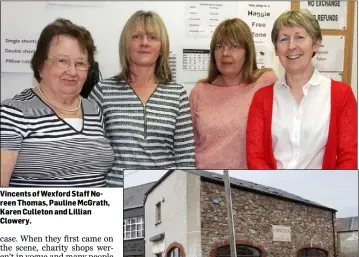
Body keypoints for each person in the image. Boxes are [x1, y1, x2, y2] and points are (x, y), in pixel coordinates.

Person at [0, 19, 114, 187]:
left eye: (80, 63)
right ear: (40, 65)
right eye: (62, 61)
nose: (73, 71)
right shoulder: (14, 112)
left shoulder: (94, 110)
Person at [89, 11, 195, 187]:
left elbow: (185, 159)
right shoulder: (102, 92)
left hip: (161, 195)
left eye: (152, 37)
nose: (144, 43)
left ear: (162, 47)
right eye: (136, 36)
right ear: (126, 44)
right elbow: (92, 155)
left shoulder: (177, 95)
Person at [246, 9, 357, 169]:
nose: (291, 46)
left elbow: (348, 159)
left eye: (299, 37)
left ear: (316, 44)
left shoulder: (342, 95)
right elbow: (255, 157)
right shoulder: (261, 98)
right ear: (276, 49)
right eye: (284, 39)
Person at [189, 18, 277, 169]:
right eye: (219, 46)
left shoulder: (265, 82)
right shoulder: (199, 91)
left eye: (234, 46)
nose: (225, 53)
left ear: (247, 52)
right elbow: (186, 145)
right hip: (203, 178)